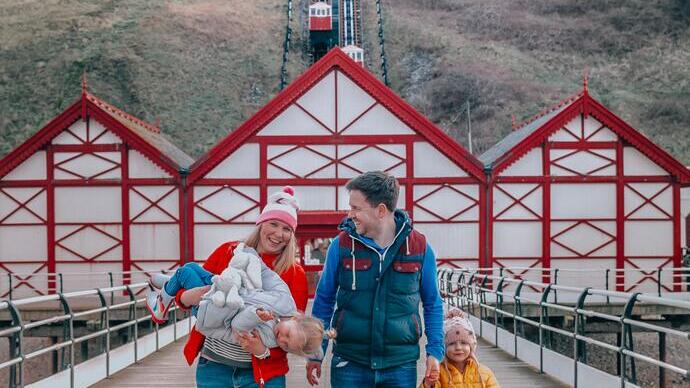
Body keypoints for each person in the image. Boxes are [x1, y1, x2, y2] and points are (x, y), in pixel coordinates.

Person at [307, 171, 444, 387]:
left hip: (400, 365)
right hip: (349, 362)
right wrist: (317, 351)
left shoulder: (420, 248)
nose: (349, 213)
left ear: (381, 210)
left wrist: (435, 352)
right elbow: (324, 299)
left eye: (356, 208)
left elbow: (433, 304)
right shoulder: (340, 246)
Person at [176, 186, 308, 388]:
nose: (279, 234)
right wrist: (187, 298)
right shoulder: (228, 252)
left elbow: (292, 333)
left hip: (263, 373)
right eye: (273, 224)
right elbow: (188, 298)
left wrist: (263, 350)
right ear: (261, 224)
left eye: (287, 229)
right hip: (214, 368)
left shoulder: (294, 273)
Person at [421, 308, 499, 388]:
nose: (458, 348)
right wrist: (427, 384)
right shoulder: (438, 372)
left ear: (471, 346)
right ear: (444, 347)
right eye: (451, 343)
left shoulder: (484, 373)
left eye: (464, 343)